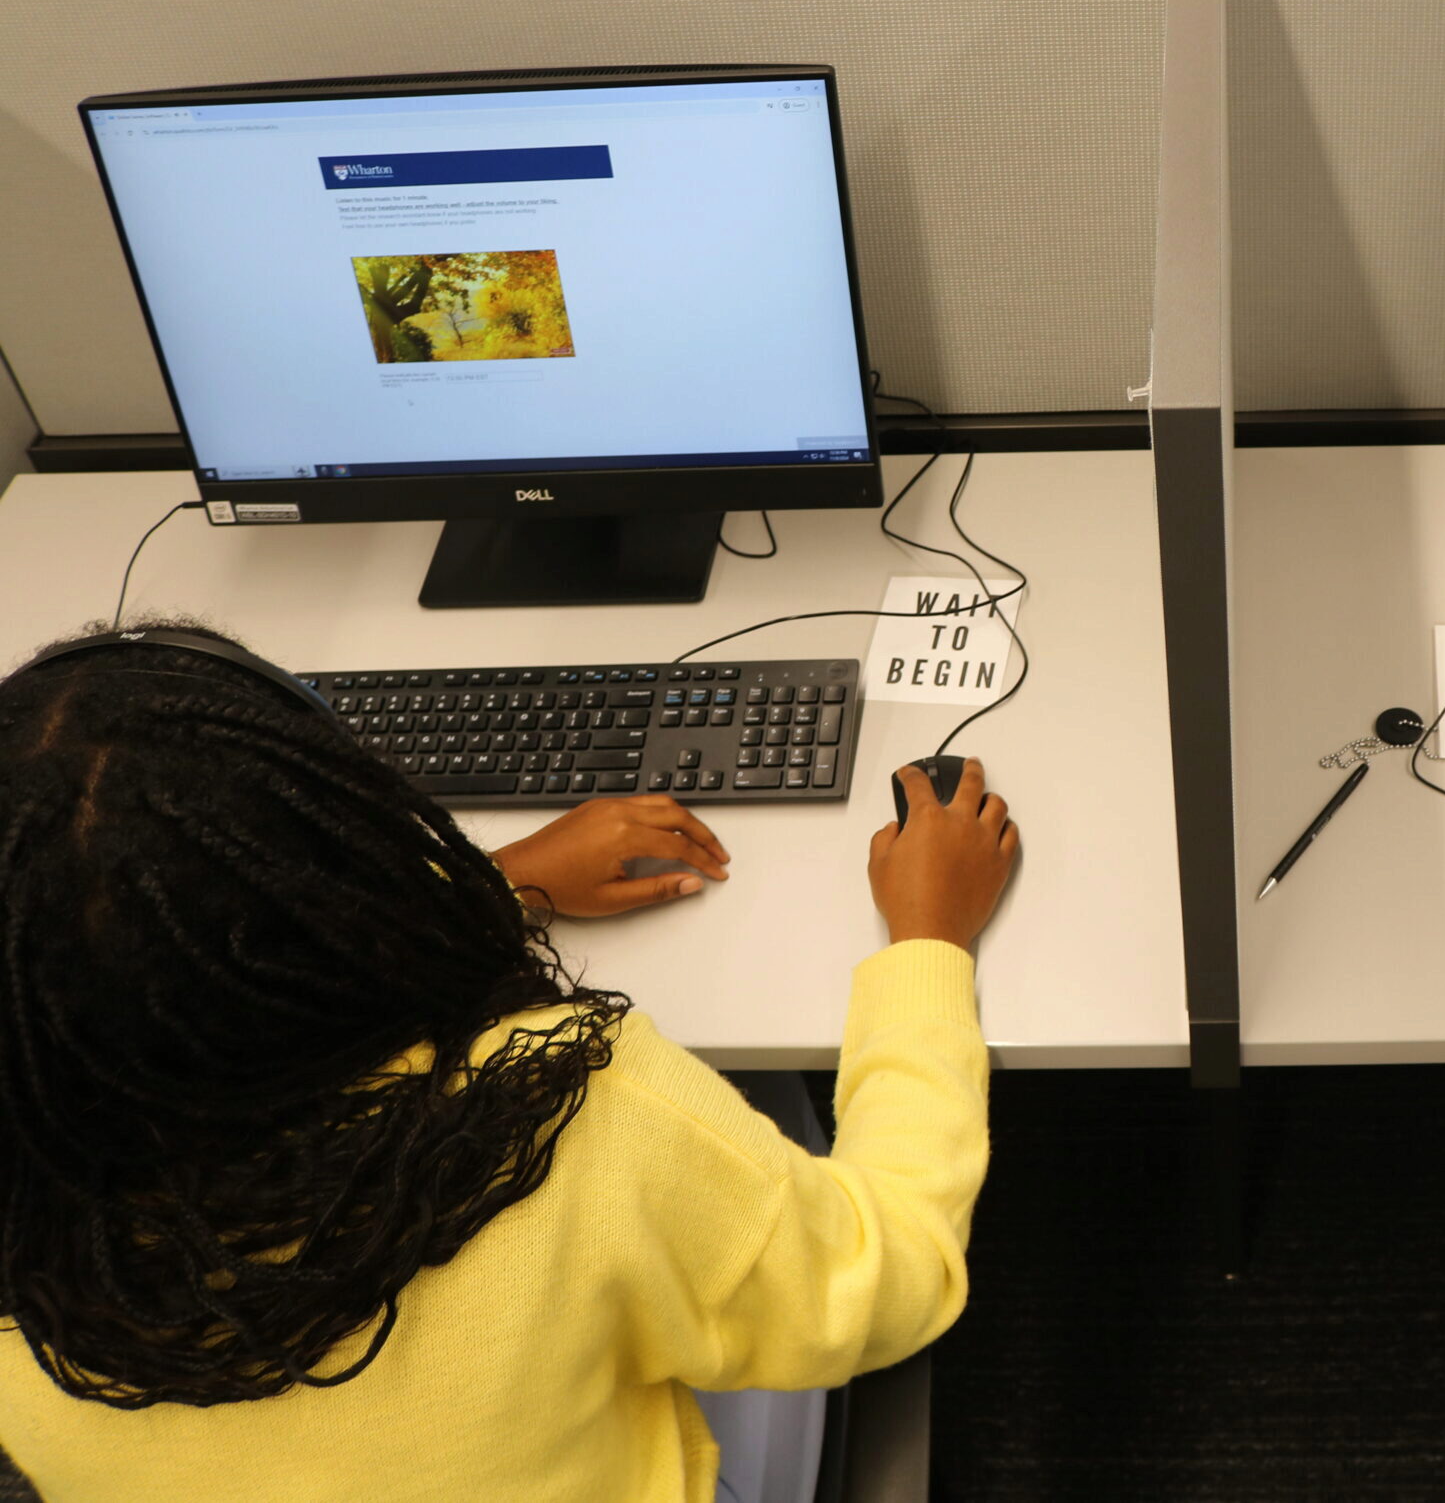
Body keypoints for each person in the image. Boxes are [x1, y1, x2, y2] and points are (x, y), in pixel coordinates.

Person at [0, 622, 1019, 1503]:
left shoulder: (33, 1230)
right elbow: (886, 1280)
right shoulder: (548, 1115)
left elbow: (173, 977)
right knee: (770, 1110)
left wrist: (500, 882)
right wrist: (928, 942)